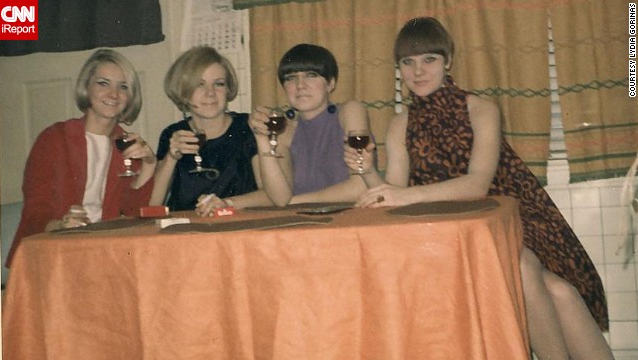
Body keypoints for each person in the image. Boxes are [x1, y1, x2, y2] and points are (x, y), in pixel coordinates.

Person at [346, 17, 614, 360]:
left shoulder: (481, 109)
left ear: (448, 62)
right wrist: (368, 172)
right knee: (558, 291)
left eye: (429, 59)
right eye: (408, 62)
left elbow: (478, 184)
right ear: (399, 69)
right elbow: (393, 193)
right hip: (457, 226)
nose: (418, 71)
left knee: (525, 269)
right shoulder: (400, 124)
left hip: (514, 216)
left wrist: (402, 194)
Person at [6, 49, 156, 267]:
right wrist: (61, 224)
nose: (113, 94)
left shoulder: (128, 145)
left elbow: (133, 216)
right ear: (86, 87)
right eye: (103, 83)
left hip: (104, 252)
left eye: (123, 87)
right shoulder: (54, 138)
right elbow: (35, 212)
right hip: (54, 249)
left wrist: (150, 165)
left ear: (130, 96)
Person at [150, 46, 271, 215]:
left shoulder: (247, 127)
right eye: (199, 85)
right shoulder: (174, 134)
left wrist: (227, 203)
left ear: (228, 89)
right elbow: (152, 204)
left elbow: (271, 195)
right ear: (184, 92)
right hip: (186, 232)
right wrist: (171, 157)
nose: (210, 93)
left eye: (219, 84)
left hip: (238, 227)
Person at [249, 43, 371, 206]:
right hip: (304, 223)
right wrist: (262, 139)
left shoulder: (350, 112)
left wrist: (295, 202)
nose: (300, 85)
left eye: (311, 75)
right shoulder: (284, 131)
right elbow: (279, 198)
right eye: (291, 78)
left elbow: (360, 187)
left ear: (331, 83)